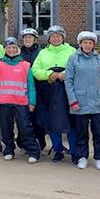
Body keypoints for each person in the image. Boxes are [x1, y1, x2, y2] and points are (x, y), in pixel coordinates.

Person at [64, 31, 100, 170]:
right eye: (85, 43)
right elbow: (68, 81)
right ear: (80, 44)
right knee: (81, 132)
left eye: (90, 43)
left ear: (93, 45)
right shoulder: (73, 59)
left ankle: (99, 157)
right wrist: (72, 100)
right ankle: (82, 156)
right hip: (80, 101)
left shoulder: (99, 59)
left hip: (98, 101)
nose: (88, 45)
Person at [0, 37, 40, 163]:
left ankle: (33, 151)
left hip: (21, 102)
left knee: (25, 128)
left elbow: (31, 86)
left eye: (14, 48)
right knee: (6, 128)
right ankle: (9, 150)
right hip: (4, 102)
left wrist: (32, 102)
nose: (11, 50)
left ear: (18, 50)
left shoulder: (25, 65)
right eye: (9, 48)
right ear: (5, 50)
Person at [31, 25, 76, 163]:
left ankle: (74, 151)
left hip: (66, 90)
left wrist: (64, 74)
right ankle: (58, 149)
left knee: (71, 122)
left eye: (58, 36)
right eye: (53, 36)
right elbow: (35, 70)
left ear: (63, 37)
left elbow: (78, 67)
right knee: (52, 122)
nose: (56, 38)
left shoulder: (72, 51)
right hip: (48, 91)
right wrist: (49, 74)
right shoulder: (43, 53)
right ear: (49, 38)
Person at [19, 28, 46, 150]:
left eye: (30, 38)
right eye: (25, 38)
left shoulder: (41, 53)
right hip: (21, 90)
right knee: (23, 118)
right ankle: (23, 142)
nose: (27, 40)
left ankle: (40, 142)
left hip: (38, 88)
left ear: (35, 40)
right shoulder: (19, 53)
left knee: (37, 118)